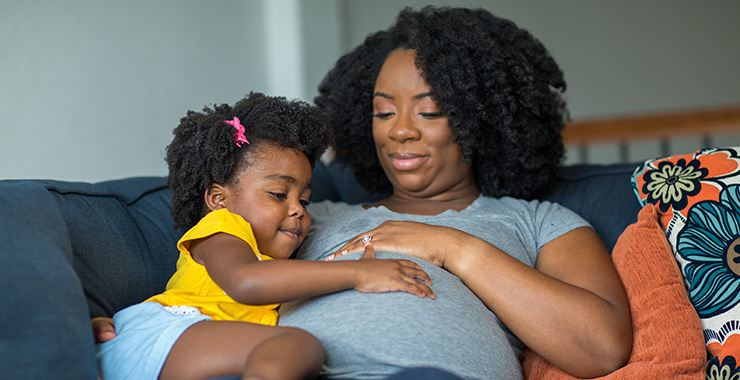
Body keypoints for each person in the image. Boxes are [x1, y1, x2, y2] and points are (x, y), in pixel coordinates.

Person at [95, 6, 632, 380]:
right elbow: (213, 286)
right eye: (382, 111)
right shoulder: (300, 215)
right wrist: (127, 327)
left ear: (481, 117)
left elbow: (601, 348)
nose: (400, 130)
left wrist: (452, 247)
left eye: (429, 110)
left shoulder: (538, 222)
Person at [95, 92, 436, 380]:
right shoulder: (223, 230)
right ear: (219, 199)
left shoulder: (270, 257)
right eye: (278, 194)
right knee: (294, 346)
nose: (299, 210)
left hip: (180, 345)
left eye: (304, 199)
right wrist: (359, 273)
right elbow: (247, 282)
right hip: (163, 332)